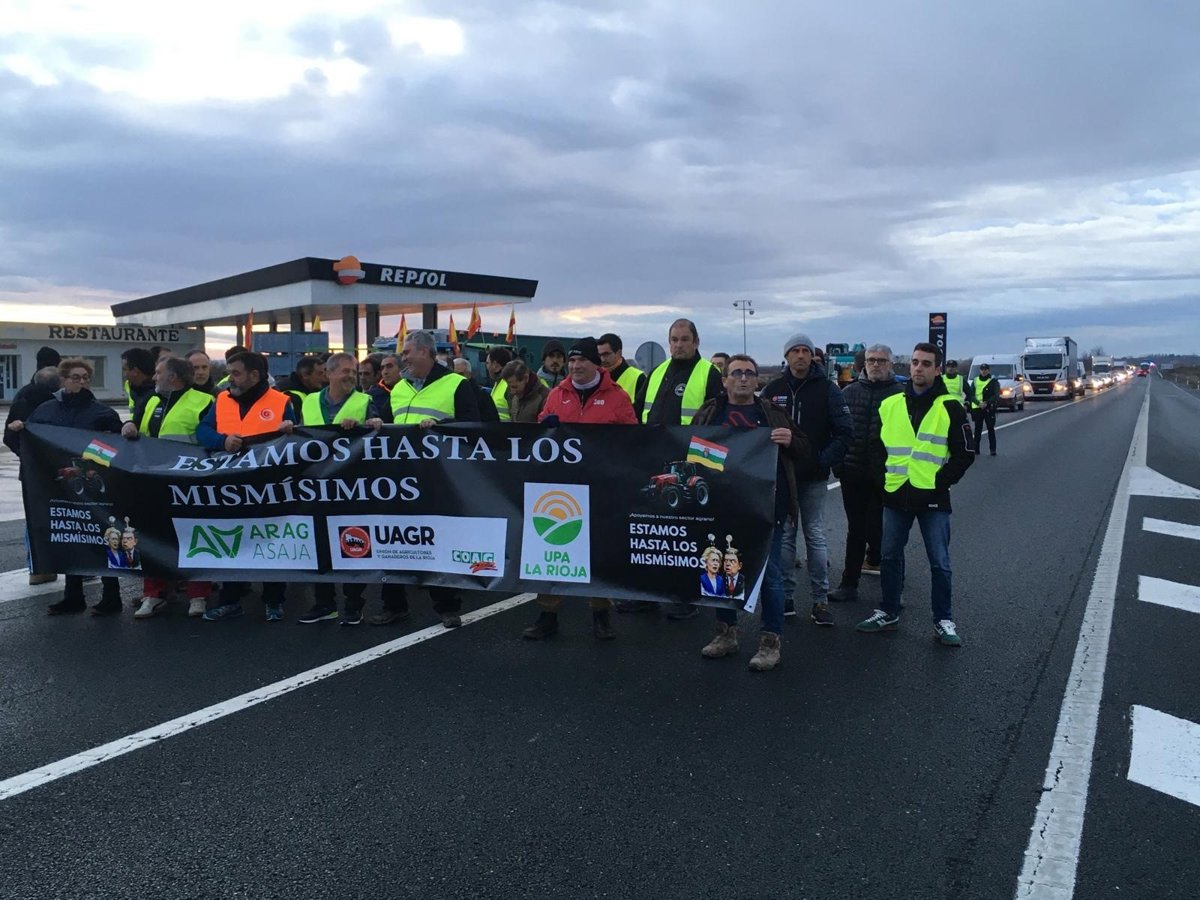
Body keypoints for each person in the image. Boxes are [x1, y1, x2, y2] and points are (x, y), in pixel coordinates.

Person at [856, 342, 974, 646]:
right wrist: (883, 479)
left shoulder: (951, 407)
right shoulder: (891, 404)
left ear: (937, 370)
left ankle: (943, 620)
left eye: (926, 364)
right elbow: (876, 446)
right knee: (889, 556)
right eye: (915, 363)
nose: (918, 368)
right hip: (896, 494)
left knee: (940, 562)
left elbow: (965, 453)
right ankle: (889, 611)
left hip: (932, 498)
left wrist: (940, 481)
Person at [694, 354, 806, 671]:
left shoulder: (771, 412)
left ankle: (770, 641)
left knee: (769, 575)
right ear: (725, 380)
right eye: (736, 373)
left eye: (749, 373)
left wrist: (790, 440)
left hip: (766, 506)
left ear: (757, 380)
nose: (743, 378)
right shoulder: (710, 413)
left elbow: (803, 448)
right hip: (721, 505)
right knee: (721, 570)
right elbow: (689, 448)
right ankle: (726, 633)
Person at [522, 337, 638, 641]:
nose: (574, 366)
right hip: (562, 487)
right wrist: (545, 424)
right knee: (552, 549)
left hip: (601, 486)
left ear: (595, 364)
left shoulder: (617, 397)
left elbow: (633, 439)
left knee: (597, 552)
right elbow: (540, 433)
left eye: (581, 361)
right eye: (571, 362)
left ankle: (601, 615)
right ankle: (548, 614)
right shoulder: (557, 394)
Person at [374, 331, 480, 629]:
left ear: (425, 353)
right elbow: (387, 422)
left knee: (438, 542)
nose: (402, 358)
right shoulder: (399, 388)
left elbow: (473, 427)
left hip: (438, 478)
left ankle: (447, 607)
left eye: (407, 352)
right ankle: (393, 605)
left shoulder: (456, 384)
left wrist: (442, 426)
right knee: (393, 541)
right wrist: (376, 423)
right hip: (398, 479)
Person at [11, 358, 124, 616]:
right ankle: (73, 596)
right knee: (70, 536)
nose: (81, 382)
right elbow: (32, 443)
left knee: (102, 537)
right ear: (63, 379)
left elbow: (117, 447)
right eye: (76, 377)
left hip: (94, 488)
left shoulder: (102, 413)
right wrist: (22, 430)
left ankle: (112, 595)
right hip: (59, 487)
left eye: (85, 377)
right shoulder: (46, 410)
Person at [196, 351, 298, 622]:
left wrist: (291, 429)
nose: (231, 378)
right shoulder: (222, 400)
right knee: (232, 541)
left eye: (236, 372)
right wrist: (222, 441)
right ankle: (230, 599)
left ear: (255, 375)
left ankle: (274, 600)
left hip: (268, 486)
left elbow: (298, 439)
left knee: (271, 541)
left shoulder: (281, 401)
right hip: (230, 484)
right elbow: (202, 431)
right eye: (230, 372)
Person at [761, 332, 853, 627]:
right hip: (782, 478)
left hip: (813, 477)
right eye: (795, 350)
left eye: (805, 351)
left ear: (813, 356)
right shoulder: (773, 389)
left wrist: (821, 460)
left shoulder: (827, 389)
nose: (801, 355)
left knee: (814, 535)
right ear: (786, 356)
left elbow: (844, 432)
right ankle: (786, 597)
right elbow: (758, 432)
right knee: (786, 537)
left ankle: (820, 600)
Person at [635, 318, 723, 619]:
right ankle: (647, 593)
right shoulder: (657, 372)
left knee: (688, 537)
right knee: (652, 535)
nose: (679, 344)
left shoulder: (708, 374)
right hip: (655, 462)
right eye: (674, 339)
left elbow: (716, 424)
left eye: (685, 339)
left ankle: (686, 597)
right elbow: (640, 415)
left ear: (696, 342)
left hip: (690, 466)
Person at [121, 355, 216, 618]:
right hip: (153, 482)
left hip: (190, 483)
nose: (154, 377)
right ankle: (153, 594)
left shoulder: (205, 401)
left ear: (173, 377)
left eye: (158, 372)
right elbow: (137, 431)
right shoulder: (150, 400)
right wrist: (128, 425)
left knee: (195, 537)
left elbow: (210, 441)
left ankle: (198, 595)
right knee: (153, 536)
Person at [297, 353, 384, 626]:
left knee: (352, 545)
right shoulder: (309, 401)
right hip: (315, 485)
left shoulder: (364, 401)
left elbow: (379, 430)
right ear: (329, 373)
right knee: (319, 545)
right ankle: (324, 603)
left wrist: (373, 426)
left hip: (351, 487)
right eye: (345, 371)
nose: (351, 376)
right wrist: (288, 429)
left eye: (354, 372)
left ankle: (353, 603)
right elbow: (299, 435)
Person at [828, 344, 903, 602]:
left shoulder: (901, 395)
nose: (876, 365)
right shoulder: (849, 393)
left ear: (890, 364)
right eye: (871, 360)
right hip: (853, 473)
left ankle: (893, 592)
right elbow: (835, 431)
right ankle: (849, 583)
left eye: (882, 360)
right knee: (856, 530)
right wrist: (839, 466)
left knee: (888, 533)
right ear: (864, 364)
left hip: (888, 475)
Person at [5, 362, 62, 585]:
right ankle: (80, 565)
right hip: (61, 471)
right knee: (70, 515)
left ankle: (38, 568)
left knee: (35, 517)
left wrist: (28, 459)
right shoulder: (58, 404)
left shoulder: (22, 399)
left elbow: (9, 437)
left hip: (31, 472)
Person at [597, 332, 648, 420]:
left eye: (606, 354)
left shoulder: (638, 378)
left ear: (619, 353)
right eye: (599, 355)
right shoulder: (596, 378)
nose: (602, 359)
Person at [967, 362, 1000, 456]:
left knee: (990, 429)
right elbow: (971, 394)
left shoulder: (993, 381)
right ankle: (975, 449)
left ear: (988, 370)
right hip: (977, 408)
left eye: (985, 369)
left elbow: (996, 395)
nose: (984, 371)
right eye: (982, 369)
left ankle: (992, 450)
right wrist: (978, 403)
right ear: (980, 370)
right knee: (977, 429)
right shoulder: (975, 380)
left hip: (989, 408)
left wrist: (986, 403)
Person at [121, 347, 157, 415]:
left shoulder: (157, 396)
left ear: (135, 371)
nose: (124, 374)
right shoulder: (136, 391)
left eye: (125, 369)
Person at [485, 347, 514, 421]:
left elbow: (516, 415)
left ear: (494, 364)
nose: (486, 366)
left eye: (487, 363)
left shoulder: (509, 385)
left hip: (506, 431)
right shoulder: (499, 383)